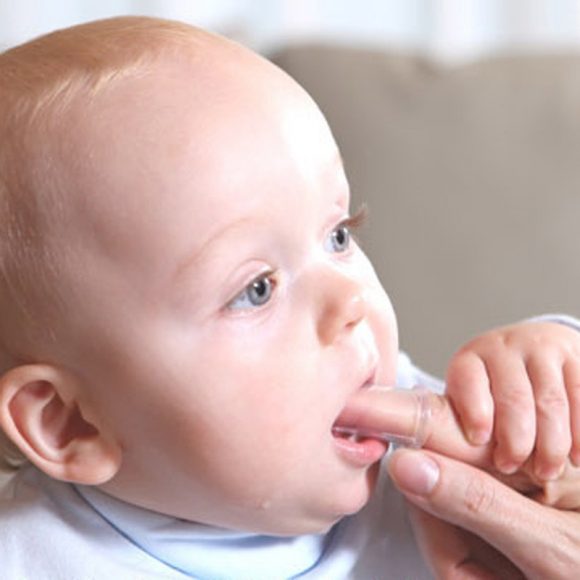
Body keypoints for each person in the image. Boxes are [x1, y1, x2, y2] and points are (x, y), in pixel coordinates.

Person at [0, 15, 579, 579]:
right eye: (256, 290)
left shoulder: (422, 446)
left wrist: (542, 379)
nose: (350, 304)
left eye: (338, 235)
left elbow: (548, 456)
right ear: (69, 423)